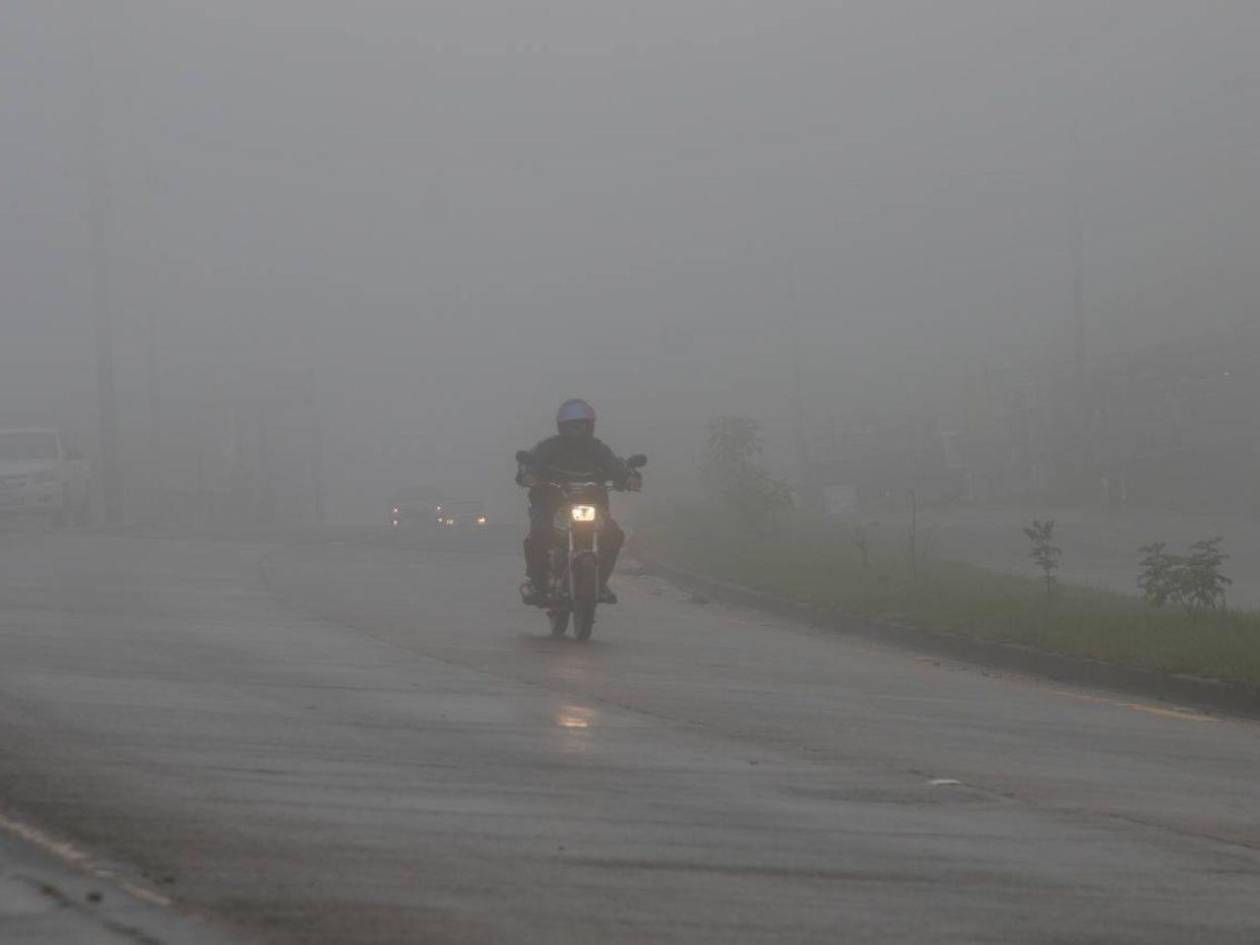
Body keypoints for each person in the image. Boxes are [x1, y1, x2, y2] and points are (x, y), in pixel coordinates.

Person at [516, 399, 641, 605]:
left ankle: (600, 583)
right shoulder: (549, 447)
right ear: (562, 426)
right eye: (573, 425)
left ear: (590, 425)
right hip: (552, 504)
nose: (578, 430)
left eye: (582, 424)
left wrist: (629, 477)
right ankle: (536, 583)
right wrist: (527, 474)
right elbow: (530, 462)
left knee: (613, 534)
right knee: (539, 533)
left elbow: (614, 465)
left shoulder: (597, 448)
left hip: (592, 505)